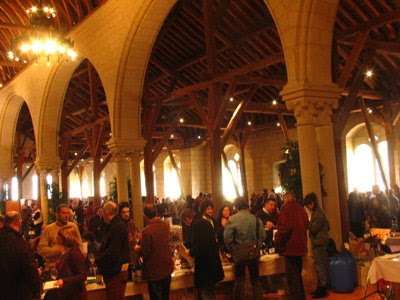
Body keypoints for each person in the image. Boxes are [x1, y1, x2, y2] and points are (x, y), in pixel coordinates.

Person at [224, 197, 266, 300]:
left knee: (239, 280)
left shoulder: (232, 219)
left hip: (239, 253)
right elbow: (263, 235)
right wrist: (258, 244)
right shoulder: (255, 218)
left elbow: (227, 238)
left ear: (236, 206)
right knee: (255, 279)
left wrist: (232, 249)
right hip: (254, 252)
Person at [187, 199, 224, 299]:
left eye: (212, 209)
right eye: (208, 209)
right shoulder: (201, 223)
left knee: (208, 291)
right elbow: (200, 244)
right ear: (203, 210)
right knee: (207, 291)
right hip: (205, 262)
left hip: (209, 260)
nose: (211, 211)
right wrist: (191, 251)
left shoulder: (212, 221)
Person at [275, 192, 308, 300]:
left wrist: (277, 237)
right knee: (298, 275)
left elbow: (286, 227)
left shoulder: (288, 209)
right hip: (300, 246)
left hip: (290, 247)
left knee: (292, 277)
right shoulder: (301, 208)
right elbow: (306, 224)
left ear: (286, 199)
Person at [0, 211, 41, 300]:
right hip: (18, 291)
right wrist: (37, 291)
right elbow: (30, 269)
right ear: (19, 223)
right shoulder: (20, 244)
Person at [137, 205, 174, 300]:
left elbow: (145, 252)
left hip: (154, 271)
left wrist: (137, 249)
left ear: (145, 216)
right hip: (166, 267)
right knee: (165, 296)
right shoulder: (166, 225)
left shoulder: (146, 231)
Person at [95, 201, 130, 300]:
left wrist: (97, 260)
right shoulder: (115, 225)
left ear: (106, 213)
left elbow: (113, 253)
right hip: (115, 271)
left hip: (116, 273)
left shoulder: (117, 226)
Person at [38, 204, 84, 268]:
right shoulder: (49, 229)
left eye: (68, 213)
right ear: (57, 214)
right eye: (63, 213)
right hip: (54, 266)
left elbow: (80, 245)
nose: (66, 215)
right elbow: (41, 250)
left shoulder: (73, 226)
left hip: (71, 266)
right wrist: (57, 250)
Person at [303, 192, 329, 299]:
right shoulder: (317, 212)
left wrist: (306, 222)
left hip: (320, 243)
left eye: (308, 205)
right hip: (319, 242)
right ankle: (320, 287)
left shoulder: (318, 213)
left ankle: (323, 289)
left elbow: (314, 228)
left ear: (312, 203)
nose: (308, 208)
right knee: (319, 266)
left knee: (320, 266)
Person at [51, 225, 87, 300]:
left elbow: (82, 276)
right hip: (67, 293)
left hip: (75, 295)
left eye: (59, 236)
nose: (56, 238)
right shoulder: (65, 251)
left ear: (66, 238)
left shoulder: (74, 252)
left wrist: (64, 281)